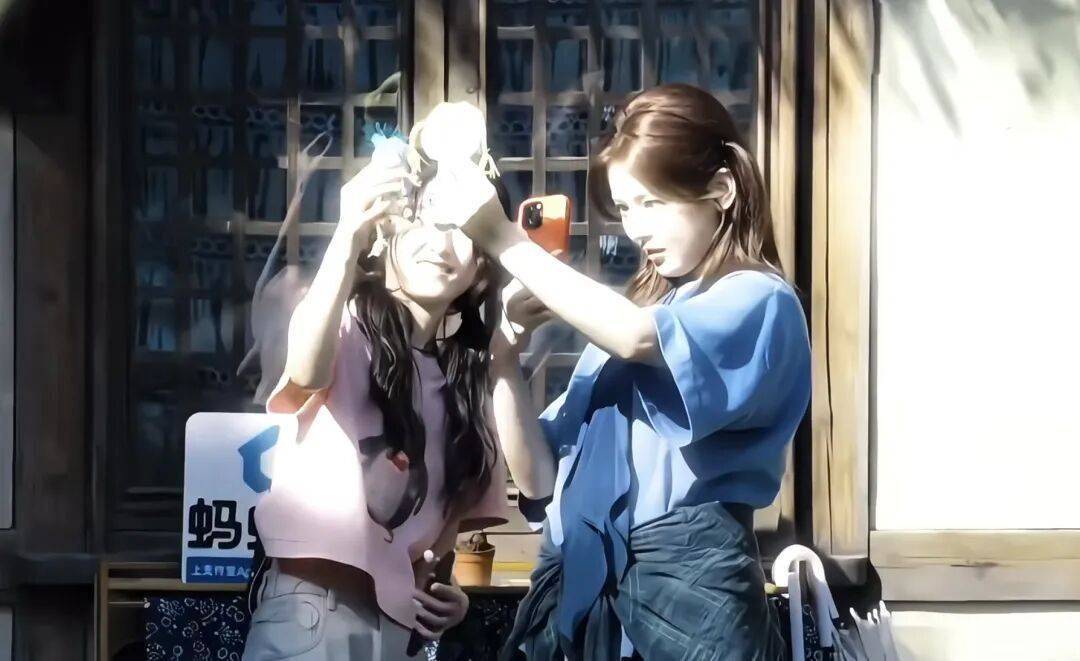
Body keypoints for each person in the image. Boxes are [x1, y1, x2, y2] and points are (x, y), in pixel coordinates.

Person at [457, 83, 812, 659]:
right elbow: (540, 477)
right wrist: (503, 350)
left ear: (721, 190)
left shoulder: (758, 299)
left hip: (689, 601)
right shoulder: (637, 320)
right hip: (583, 598)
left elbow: (636, 336)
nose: (635, 228)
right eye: (625, 208)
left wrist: (504, 239)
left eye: (653, 203)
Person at [241, 117, 511, 660]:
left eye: (462, 227)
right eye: (424, 219)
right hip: (313, 609)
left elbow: (443, 532)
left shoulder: (466, 376)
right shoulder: (343, 320)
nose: (442, 243)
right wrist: (347, 235)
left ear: (482, 262)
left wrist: (449, 596)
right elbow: (304, 373)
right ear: (385, 234)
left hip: (398, 628)